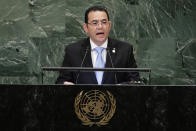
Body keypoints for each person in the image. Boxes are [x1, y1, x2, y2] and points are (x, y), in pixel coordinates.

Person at [56, 5, 140, 85]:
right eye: (95, 23)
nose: (100, 26)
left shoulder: (124, 50)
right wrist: (65, 85)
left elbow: (135, 81)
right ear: (86, 28)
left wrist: (118, 88)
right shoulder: (73, 51)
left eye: (104, 22)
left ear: (109, 25)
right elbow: (61, 81)